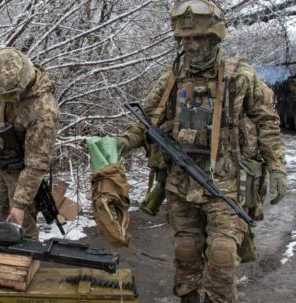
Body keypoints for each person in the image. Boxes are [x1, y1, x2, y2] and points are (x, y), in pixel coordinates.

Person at [114, 1, 287, 302]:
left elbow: (268, 122)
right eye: (184, 39)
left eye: (196, 38)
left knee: (221, 254)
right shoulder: (172, 78)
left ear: (214, 37)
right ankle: (188, 297)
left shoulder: (240, 76)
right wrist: (122, 144)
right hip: (181, 182)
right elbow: (146, 120)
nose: (189, 44)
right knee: (186, 250)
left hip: (227, 184)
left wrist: (277, 167)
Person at [0, 47, 59, 240]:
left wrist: (20, 203)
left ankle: (24, 262)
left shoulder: (42, 110)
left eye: (6, 96)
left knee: (22, 227)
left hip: (21, 172)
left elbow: (36, 164)